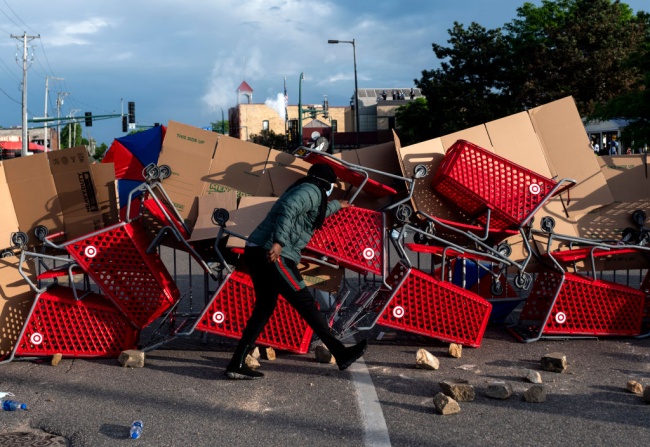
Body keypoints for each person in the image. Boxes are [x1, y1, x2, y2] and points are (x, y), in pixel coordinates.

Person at [225, 163, 368, 380]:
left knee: (264, 307)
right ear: (326, 183)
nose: (331, 190)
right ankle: (341, 352)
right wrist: (279, 242)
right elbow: (290, 207)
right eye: (331, 186)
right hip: (273, 254)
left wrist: (337, 205)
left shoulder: (307, 189)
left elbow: (311, 215)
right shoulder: (311, 190)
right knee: (306, 303)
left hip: (257, 251)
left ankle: (236, 363)